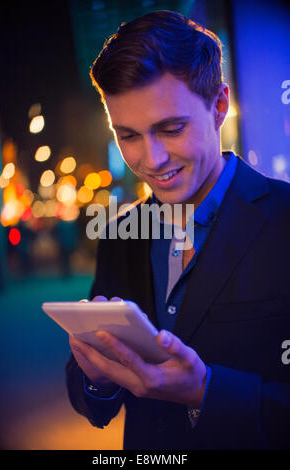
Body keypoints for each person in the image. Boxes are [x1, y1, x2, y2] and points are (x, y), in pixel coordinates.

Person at [66, 10, 290, 449]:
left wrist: (205, 390)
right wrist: (98, 377)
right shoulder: (119, 234)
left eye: (170, 129)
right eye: (127, 135)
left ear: (219, 106)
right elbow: (92, 401)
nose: (150, 160)